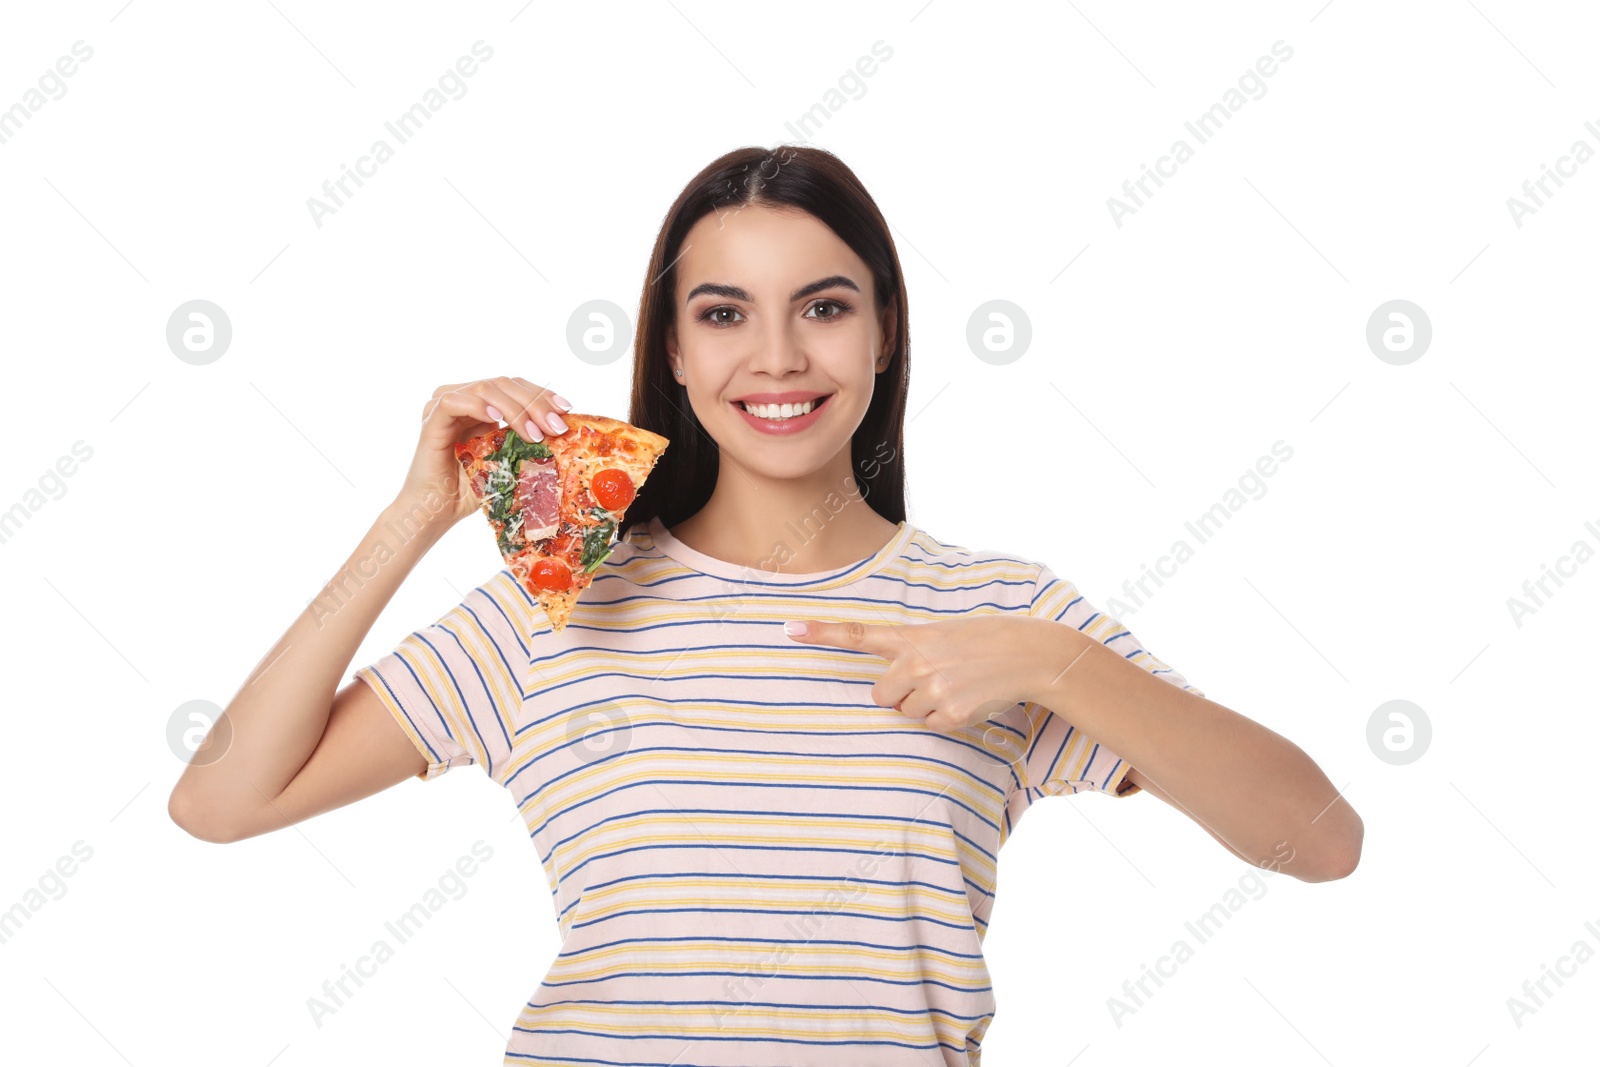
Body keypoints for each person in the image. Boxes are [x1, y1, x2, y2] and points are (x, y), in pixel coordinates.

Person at [169, 144, 1362, 1066]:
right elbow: (222, 796)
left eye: (826, 306)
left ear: (885, 332)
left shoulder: (1001, 613)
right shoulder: (556, 597)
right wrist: (413, 514)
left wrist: (1057, 665)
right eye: (725, 312)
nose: (778, 355)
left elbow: (1317, 841)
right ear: (676, 351)